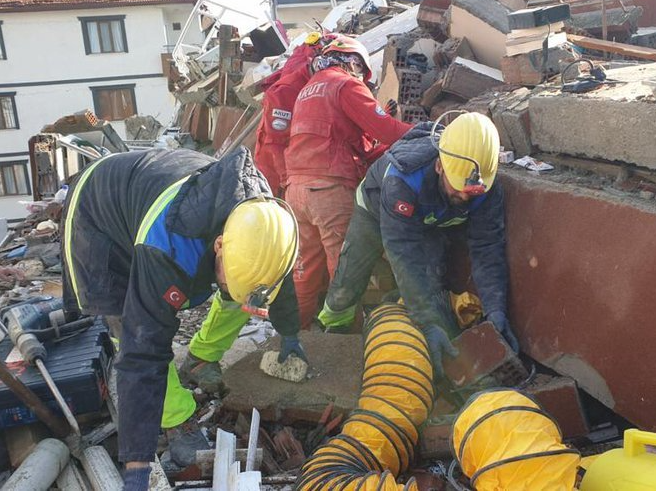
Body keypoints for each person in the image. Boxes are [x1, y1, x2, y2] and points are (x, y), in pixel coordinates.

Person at [60, 147, 305, 490]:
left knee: (243, 294)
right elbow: (143, 354)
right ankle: (176, 419)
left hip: (159, 190)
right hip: (97, 212)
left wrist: (290, 332)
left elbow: (272, 278)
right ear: (220, 245)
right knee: (123, 316)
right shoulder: (167, 247)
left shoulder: (264, 224)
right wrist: (137, 463)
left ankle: (203, 356)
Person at [317, 112, 519, 376]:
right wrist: (426, 322)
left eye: (471, 192)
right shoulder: (402, 179)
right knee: (349, 279)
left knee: (432, 283)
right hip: (377, 209)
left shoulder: (486, 187)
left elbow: (487, 249)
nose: (463, 196)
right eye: (457, 187)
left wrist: (496, 310)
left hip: (432, 219)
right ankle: (333, 329)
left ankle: (426, 353)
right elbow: (402, 253)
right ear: (439, 166)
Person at [283, 34, 412, 329]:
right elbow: (389, 131)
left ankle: (294, 337)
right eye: (362, 73)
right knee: (344, 271)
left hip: (297, 191)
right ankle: (345, 345)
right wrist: (430, 133)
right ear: (353, 62)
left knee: (305, 271)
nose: (362, 80)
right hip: (328, 190)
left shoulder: (308, 90)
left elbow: (357, 145)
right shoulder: (346, 84)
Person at [253, 32, 335, 196]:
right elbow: (275, 143)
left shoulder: (316, 75)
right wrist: (287, 181)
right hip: (276, 175)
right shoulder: (288, 91)